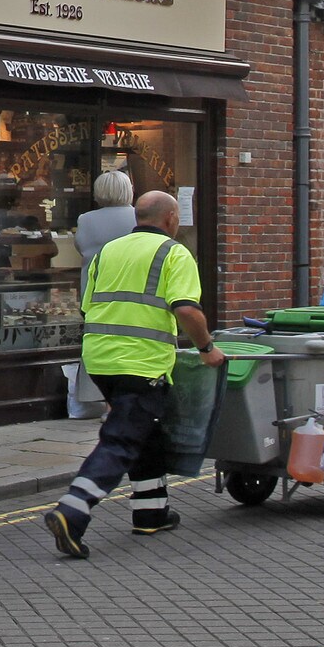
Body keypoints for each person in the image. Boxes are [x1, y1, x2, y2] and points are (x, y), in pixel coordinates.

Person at [45, 189, 224, 560]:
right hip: (141, 362)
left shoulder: (107, 251)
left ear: (137, 218)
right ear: (171, 219)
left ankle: (151, 512)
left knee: (147, 432)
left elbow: (86, 305)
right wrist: (207, 349)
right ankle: (73, 510)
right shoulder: (174, 253)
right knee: (122, 440)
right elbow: (187, 310)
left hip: (99, 359)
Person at [74, 169, 137, 296]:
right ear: (129, 189)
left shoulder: (85, 219)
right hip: (131, 290)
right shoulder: (140, 217)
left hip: (94, 291)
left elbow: (81, 248)